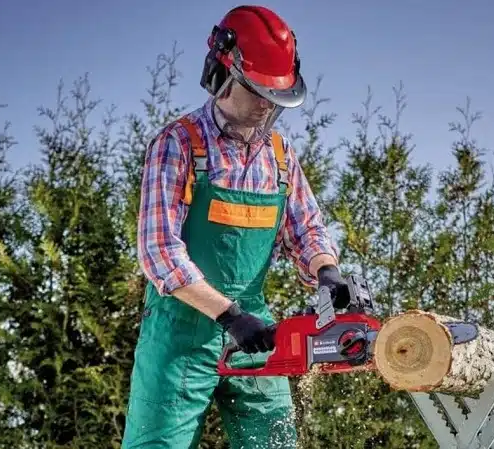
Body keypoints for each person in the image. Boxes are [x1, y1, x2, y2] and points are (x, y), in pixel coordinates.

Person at [121, 5, 350, 448]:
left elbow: (307, 231)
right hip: (180, 337)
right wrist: (228, 316)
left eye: (276, 97)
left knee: (276, 441)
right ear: (223, 76)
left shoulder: (280, 155)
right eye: (259, 92)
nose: (268, 106)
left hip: (256, 333)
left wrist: (326, 271)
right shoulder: (178, 145)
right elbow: (159, 253)